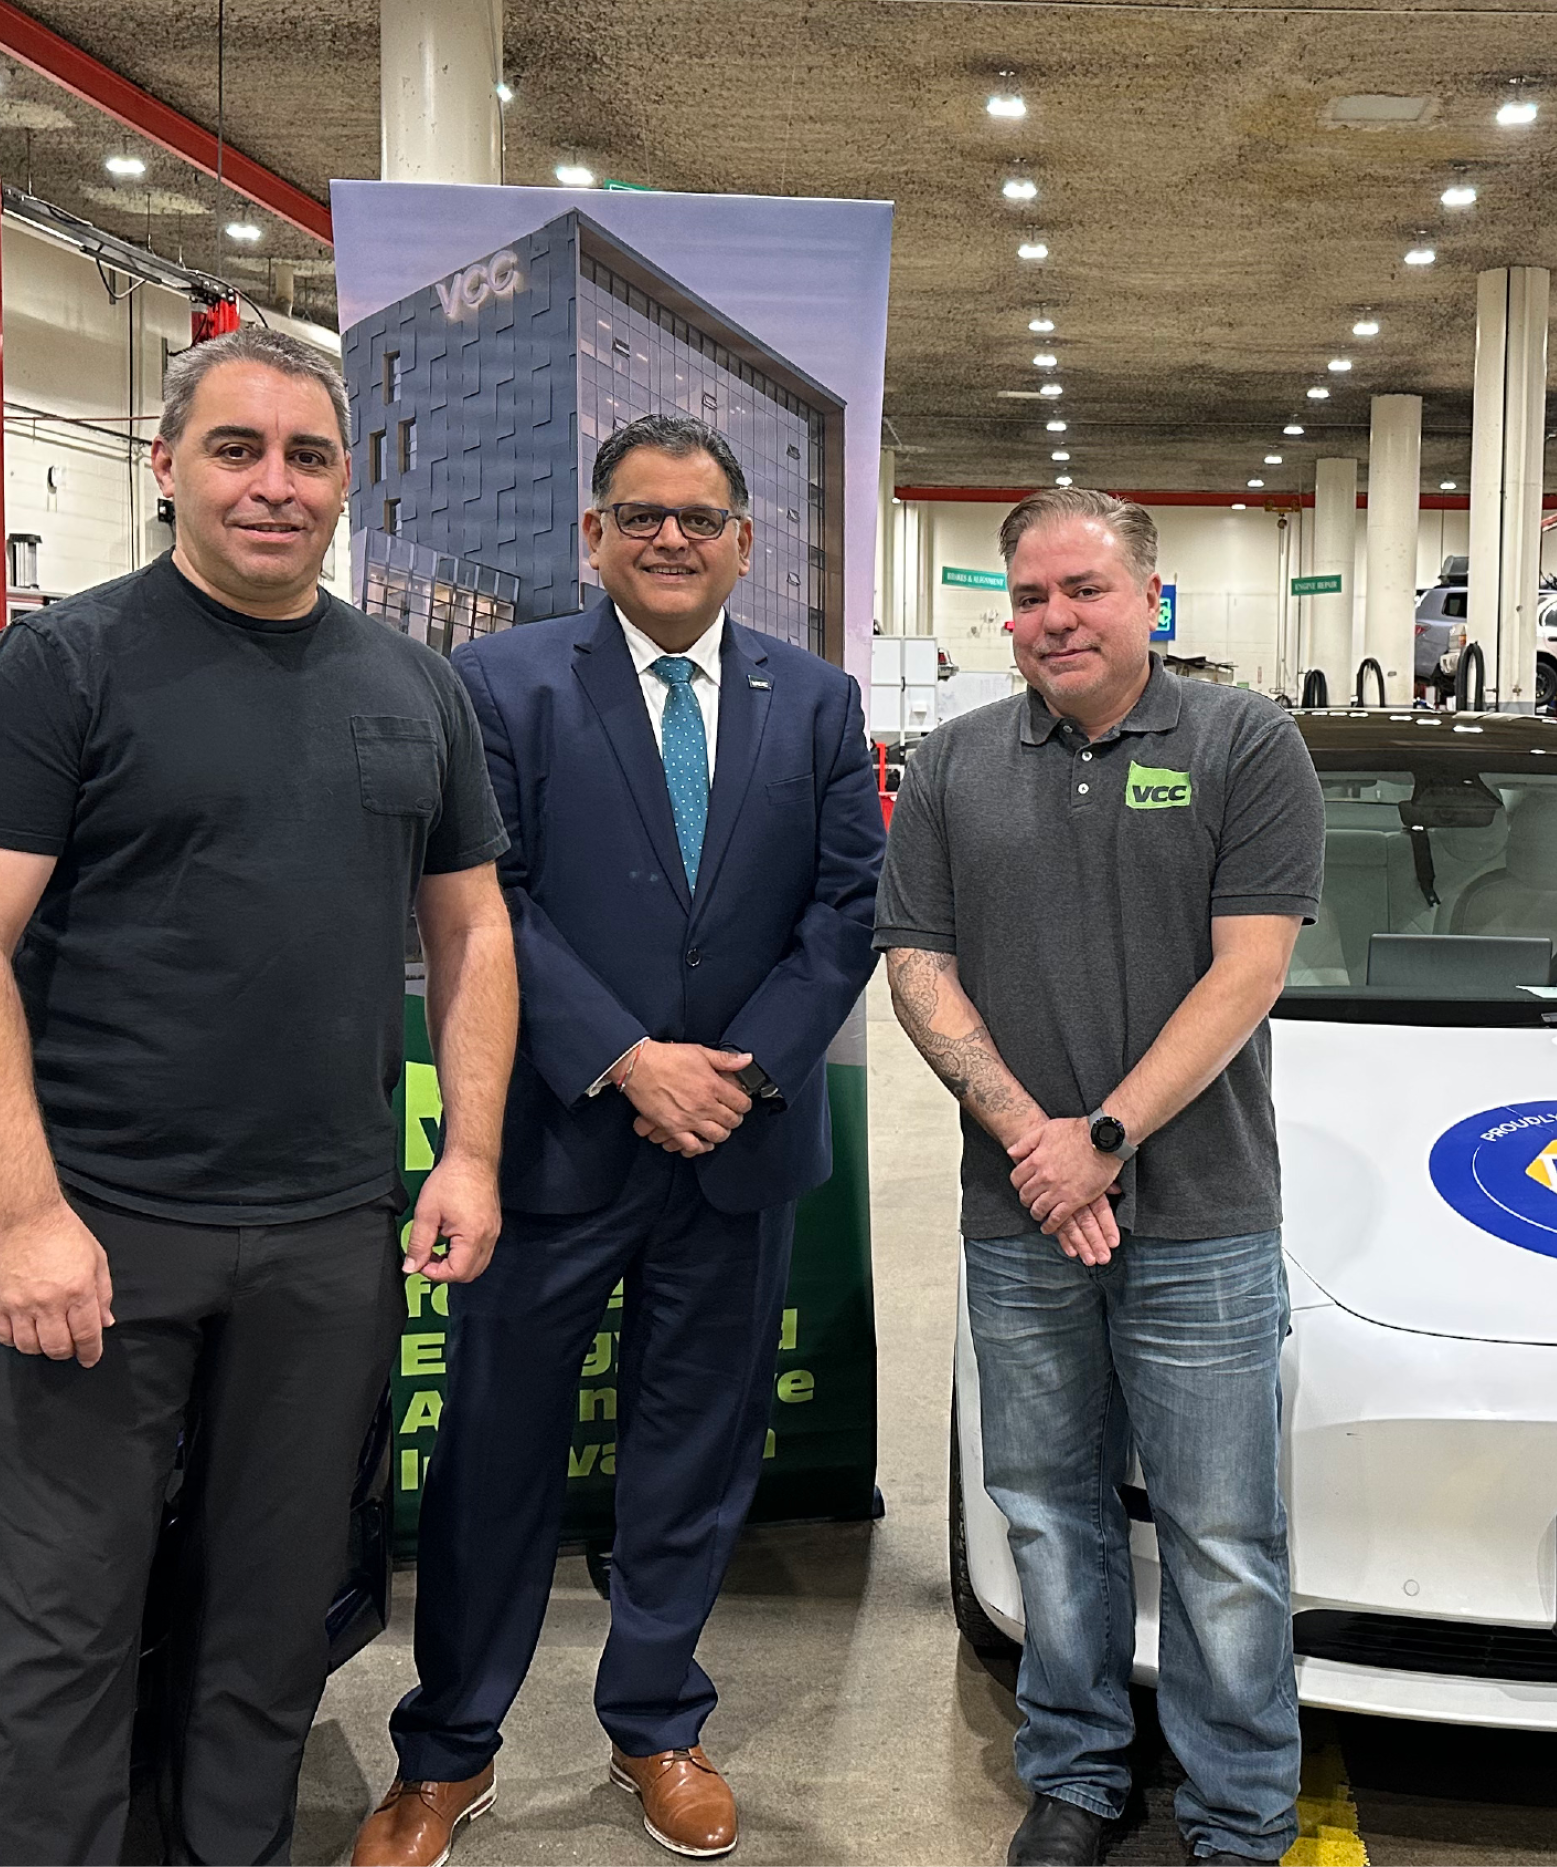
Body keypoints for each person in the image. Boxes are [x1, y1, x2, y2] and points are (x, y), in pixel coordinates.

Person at [0, 325, 517, 1865]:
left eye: (308, 455)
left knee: (268, 1630)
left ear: (344, 482)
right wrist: (25, 1214)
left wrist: (473, 1154)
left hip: (324, 1237)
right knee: (56, 1638)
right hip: (99, 1233)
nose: (274, 484)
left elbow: (473, 925)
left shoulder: (411, 685)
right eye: (236, 449)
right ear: (166, 462)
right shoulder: (62, 669)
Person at [351, 414, 883, 1866]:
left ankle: (656, 1719)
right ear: (593, 536)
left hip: (743, 1143)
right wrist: (629, 1061)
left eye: (699, 517)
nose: (669, 538)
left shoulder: (817, 700)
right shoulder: (502, 684)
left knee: (694, 1452)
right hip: (555, 1142)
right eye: (640, 515)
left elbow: (848, 909)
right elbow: (484, 900)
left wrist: (749, 1068)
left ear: (743, 543)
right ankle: (447, 1752)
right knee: (496, 1452)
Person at [876, 487, 1325, 1866]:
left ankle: (1239, 1809)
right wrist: (1037, 1145)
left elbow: (1248, 967)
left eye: (1083, 588)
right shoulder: (954, 765)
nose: (1054, 617)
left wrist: (1104, 1139)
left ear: (1151, 596)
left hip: (1201, 1219)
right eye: (1029, 596)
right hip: (1020, 1216)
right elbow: (918, 965)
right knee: (1049, 1512)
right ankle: (1076, 1770)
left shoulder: (1245, 742)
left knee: (1223, 1534)